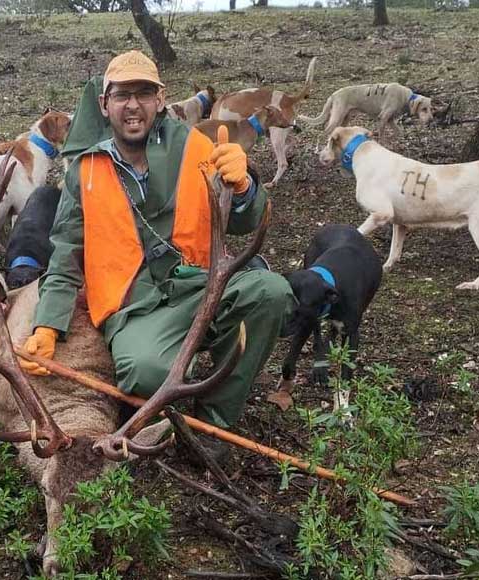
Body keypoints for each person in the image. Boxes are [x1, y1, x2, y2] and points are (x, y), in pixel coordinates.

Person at [20, 50, 294, 434]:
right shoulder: (84, 172)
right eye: (121, 95)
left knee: (272, 292)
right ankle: (188, 363)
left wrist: (245, 187)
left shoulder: (198, 148)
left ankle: (214, 420)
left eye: (144, 93)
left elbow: (245, 221)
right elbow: (66, 252)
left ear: (161, 99)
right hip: (136, 306)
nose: (133, 106)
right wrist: (47, 325)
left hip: (201, 283)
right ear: (104, 103)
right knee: (145, 374)